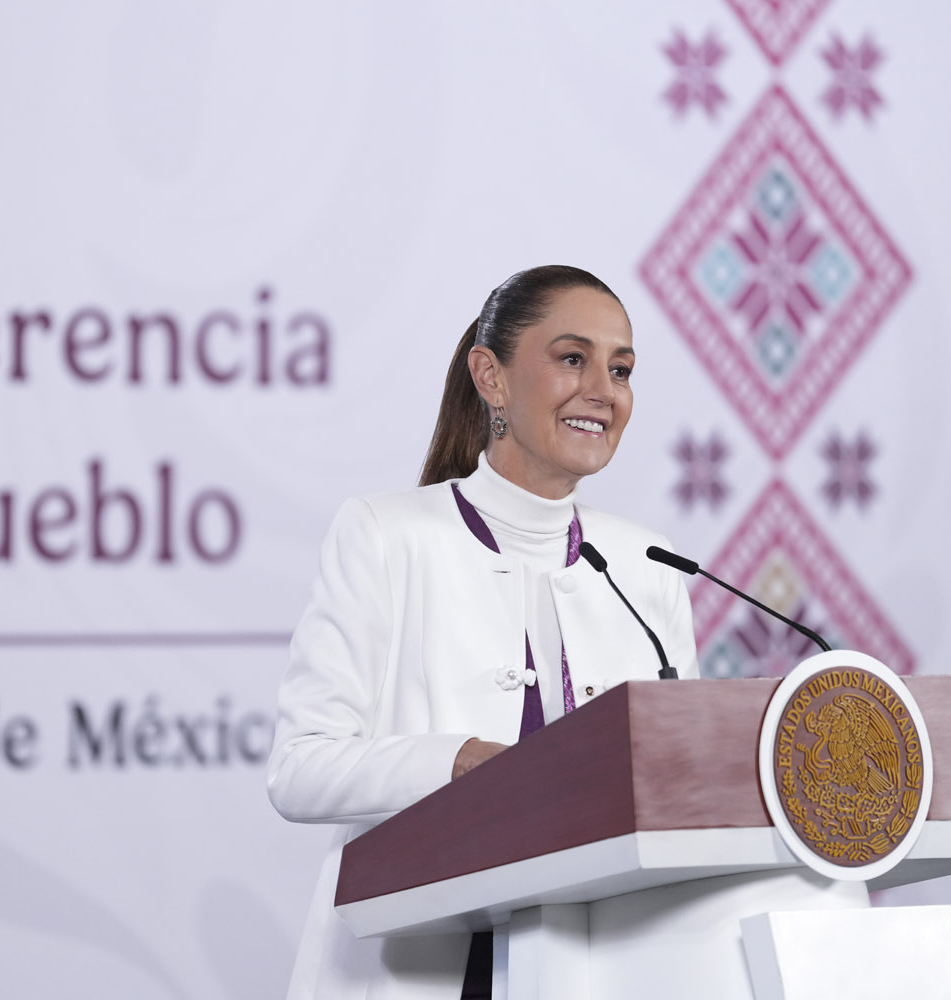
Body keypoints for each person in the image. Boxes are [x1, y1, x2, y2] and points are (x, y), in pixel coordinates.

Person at [266, 265, 702, 999]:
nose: (604, 389)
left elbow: (677, 796)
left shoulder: (649, 566)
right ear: (490, 377)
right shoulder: (385, 536)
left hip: (605, 969)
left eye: (621, 369)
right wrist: (458, 764)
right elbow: (299, 769)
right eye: (573, 359)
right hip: (422, 968)